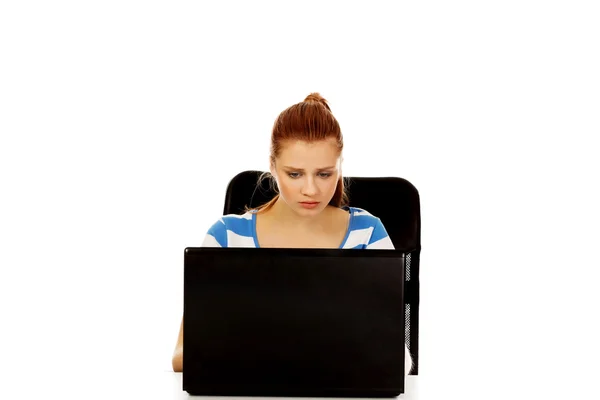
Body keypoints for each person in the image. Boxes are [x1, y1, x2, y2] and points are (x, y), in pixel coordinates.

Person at [172, 93, 413, 374]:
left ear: (339, 167)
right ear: (273, 166)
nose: (310, 190)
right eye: (295, 174)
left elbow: (399, 358)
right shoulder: (226, 237)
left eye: (324, 174)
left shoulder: (368, 234)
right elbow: (182, 355)